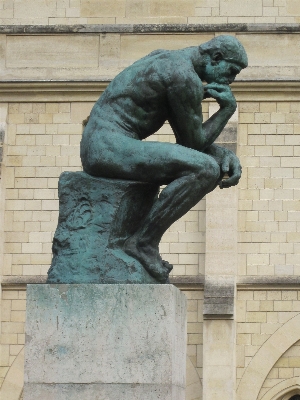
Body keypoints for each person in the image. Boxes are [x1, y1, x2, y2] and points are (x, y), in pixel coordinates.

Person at [80, 35, 248, 282]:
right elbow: (193, 144)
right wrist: (227, 110)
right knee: (205, 170)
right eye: (231, 71)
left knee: (204, 163)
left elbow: (189, 141)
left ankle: (142, 242)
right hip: (107, 146)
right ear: (216, 57)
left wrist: (221, 151)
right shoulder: (183, 77)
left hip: (102, 142)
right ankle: (144, 243)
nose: (231, 80)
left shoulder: (167, 58)